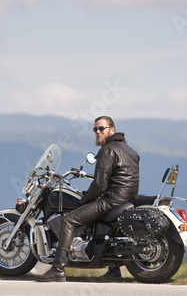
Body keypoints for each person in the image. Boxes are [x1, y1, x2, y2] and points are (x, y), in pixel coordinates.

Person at [35, 116, 140, 282]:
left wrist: (83, 201)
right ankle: (114, 269)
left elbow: (99, 185)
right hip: (126, 199)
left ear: (112, 130)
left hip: (111, 200)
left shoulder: (107, 150)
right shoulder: (130, 151)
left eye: (101, 129)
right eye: (95, 129)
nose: (97, 132)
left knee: (69, 220)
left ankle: (57, 269)